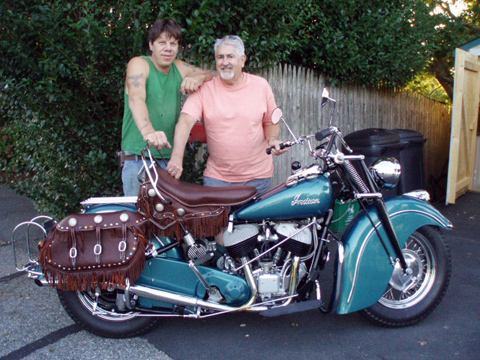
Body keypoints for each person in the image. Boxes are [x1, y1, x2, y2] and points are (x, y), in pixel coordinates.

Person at [166, 35, 288, 196]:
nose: (225, 62)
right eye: (220, 57)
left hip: (259, 179)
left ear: (242, 60)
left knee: (258, 223)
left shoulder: (260, 86)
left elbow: (270, 121)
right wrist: (176, 158)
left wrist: (272, 140)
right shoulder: (205, 89)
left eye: (230, 56)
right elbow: (184, 122)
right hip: (217, 180)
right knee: (217, 223)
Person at [121, 18, 215, 196]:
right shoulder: (139, 64)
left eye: (173, 43)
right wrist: (149, 131)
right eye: (162, 42)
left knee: (167, 221)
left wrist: (199, 78)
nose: (168, 48)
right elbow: (136, 98)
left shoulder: (179, 67)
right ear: (151, 45)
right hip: (138, 161)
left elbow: (216, 75)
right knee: (138, 222)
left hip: (168, 162)